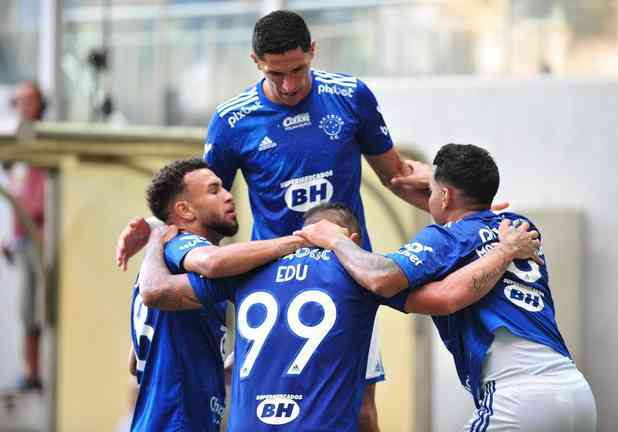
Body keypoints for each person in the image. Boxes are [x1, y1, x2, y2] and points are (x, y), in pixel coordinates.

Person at [115, 10, 435, 429]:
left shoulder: (350, 96)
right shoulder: (232, 120)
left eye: (299, 70)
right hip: (267, 280)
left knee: (359, 409)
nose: (289, 85)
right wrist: (156, 224)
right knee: (261, 405)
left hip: (342, 276)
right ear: (255, 62)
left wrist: (466, 200)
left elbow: (396, 175)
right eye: (276, 73)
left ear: (313, 52)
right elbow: (199, 201)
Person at [137, 200, 539, 431]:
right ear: (353, 240)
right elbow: (447, 298)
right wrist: (502, 252)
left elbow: (157, 293)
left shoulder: (245, 273)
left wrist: (157, 239)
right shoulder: (361, 275)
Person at [295, 144, 598, 431]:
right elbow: (465, 240)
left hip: (518, 396)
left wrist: (334, 238)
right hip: (575, 392)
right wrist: (439, 188)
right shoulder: (519, 227)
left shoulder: (445, 239)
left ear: (444, 196)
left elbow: (382, 277)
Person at [129, 158, 306, 431]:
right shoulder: (181, 243)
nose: (228, 196)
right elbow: (211, 261)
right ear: (185, 210)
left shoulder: (165, 264)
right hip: (175, 423)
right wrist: (296, 241)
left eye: (224, 188)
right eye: (214, 190)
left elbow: (135, 361)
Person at [1, 80, 48, 391]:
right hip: (24, 237)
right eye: (19, 101)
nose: (24, 106)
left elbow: (41, 197)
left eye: (29, 101)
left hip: (44, 237)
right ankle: (31, 372)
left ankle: (43, 371)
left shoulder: (48, 140)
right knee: (27, 310)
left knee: (45, 309)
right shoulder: (18, 143)